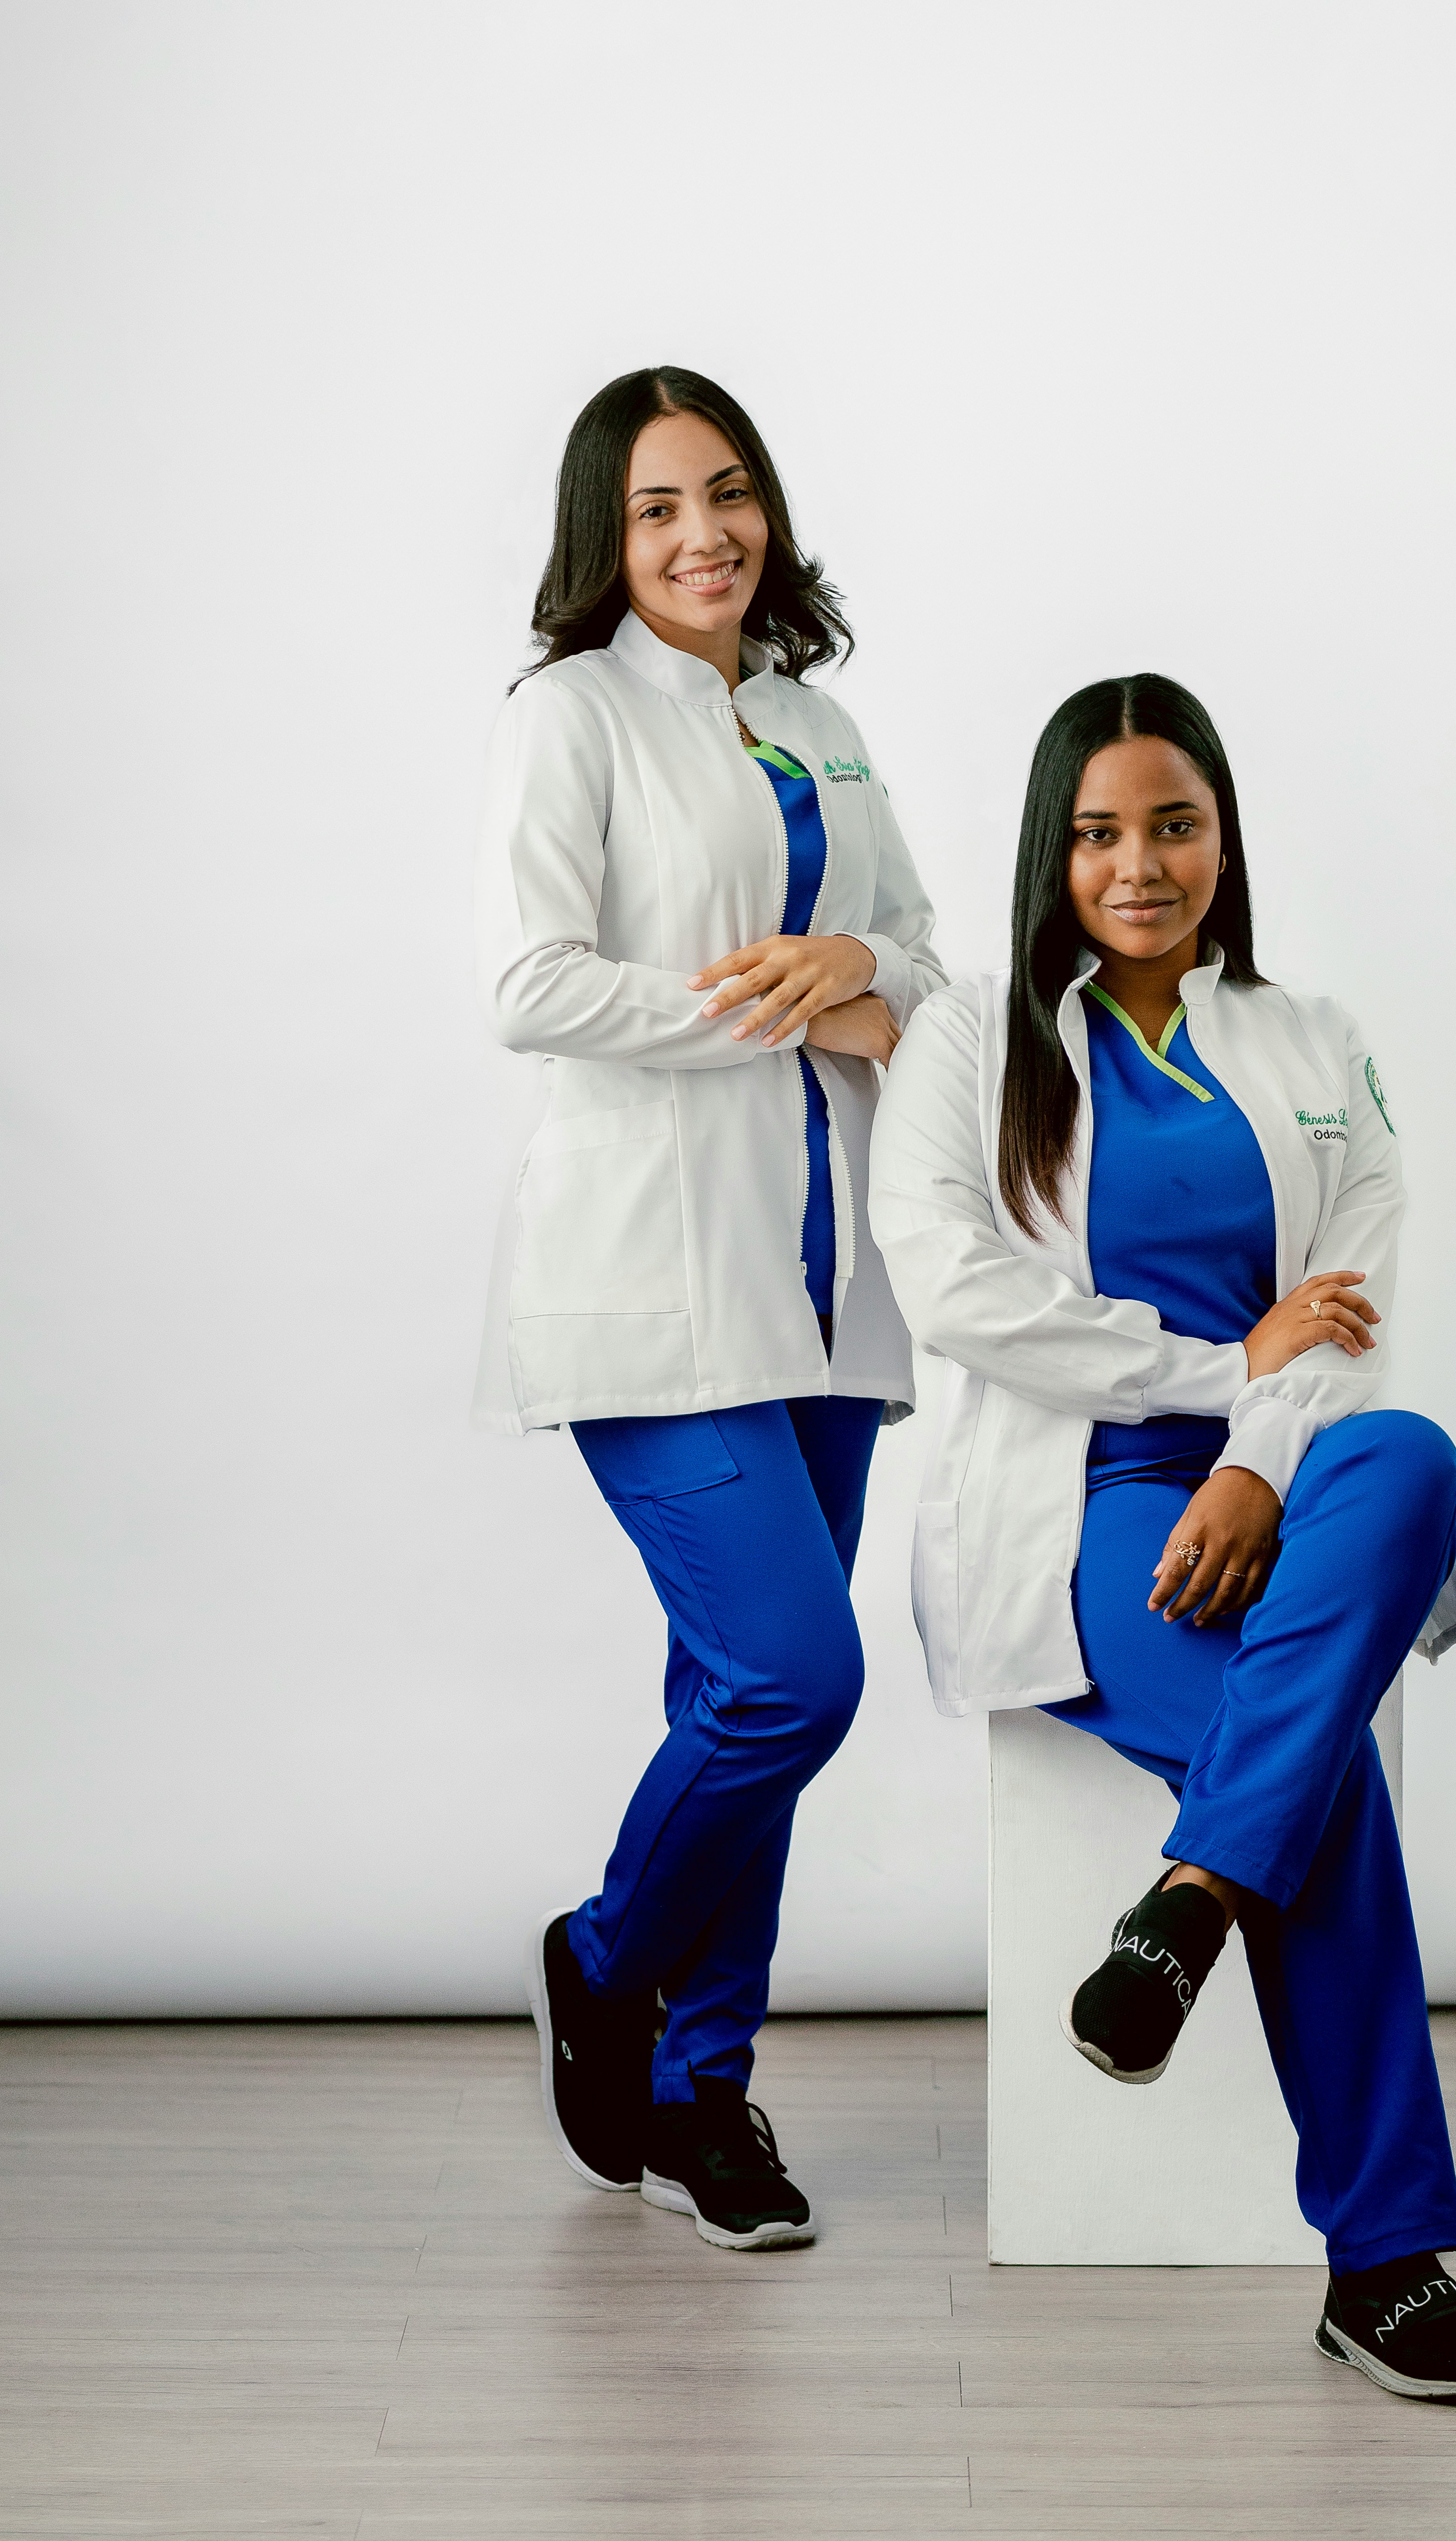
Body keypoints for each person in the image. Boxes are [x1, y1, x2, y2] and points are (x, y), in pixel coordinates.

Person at [867, 674, 1456, 2398]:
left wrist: (1258, 1450)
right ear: (1052, 851)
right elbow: (955, 1288)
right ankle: (1384, 2265)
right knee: (1324, 1781)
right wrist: (1215, 1372)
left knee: (1415, 1455)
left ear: (1225, 838)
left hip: (1283, 1489)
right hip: (1083, 1498)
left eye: (1174, 825)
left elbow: (1358, 1309)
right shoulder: (973, 1035)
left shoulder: (1310, 1037)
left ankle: (1184, 1902)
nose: (1138, 865)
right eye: (1098, 833)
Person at [474, 367, 944, 2251]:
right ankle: (603, 1959)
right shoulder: (570, 715)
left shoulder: (818, 723)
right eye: (661, 504)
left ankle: (706, 2094)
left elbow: (918, 955)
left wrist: (862, 971)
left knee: (736, 1696)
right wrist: (766, 1005)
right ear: (610, 535)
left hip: (827, 1285)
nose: (704, 534)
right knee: (790, 1680)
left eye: (730, 492)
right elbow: (531, 980)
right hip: (652, 1282)